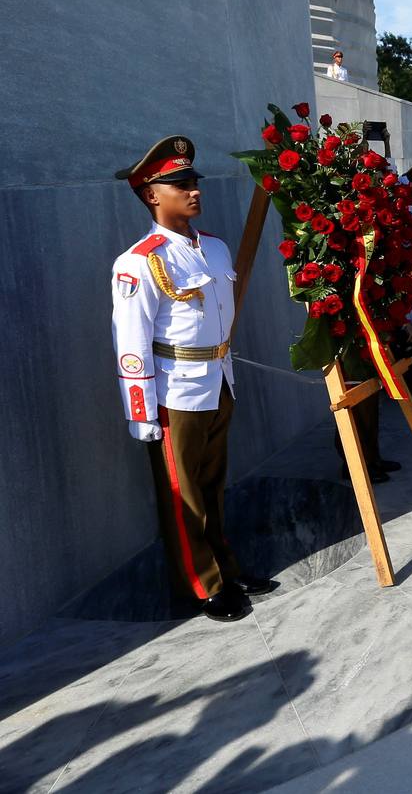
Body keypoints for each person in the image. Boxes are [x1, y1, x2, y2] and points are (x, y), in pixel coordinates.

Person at [111, 135, 274, 622]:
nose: (194, 190)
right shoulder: (140, 261)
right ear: (152, 195)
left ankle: (226, 566)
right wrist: (141, 413)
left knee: (213, 484)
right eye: (180, 184)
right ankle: (203, 585)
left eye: (194, 181)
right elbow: (130, 343)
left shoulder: (217, 250)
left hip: (219, 379)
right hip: (175, 390)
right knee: (183, 494)